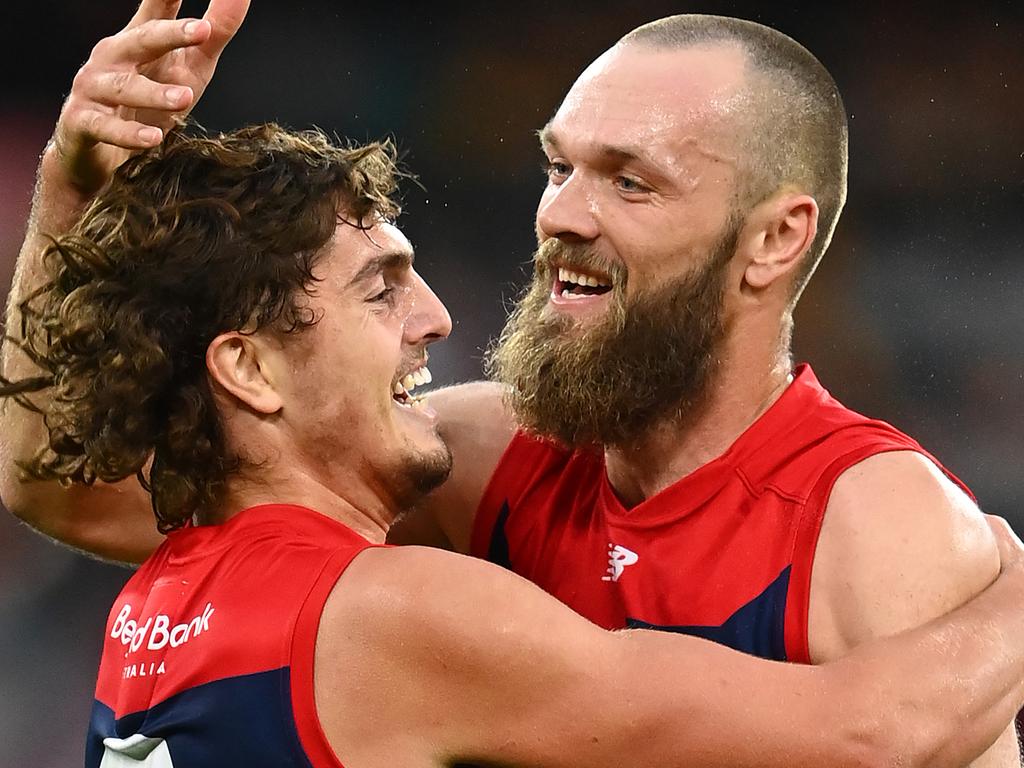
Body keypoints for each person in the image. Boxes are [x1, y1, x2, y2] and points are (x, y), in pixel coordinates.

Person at [1, 3, 1022, 764]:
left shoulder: (876, 525)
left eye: (628, 179)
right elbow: (64, 488)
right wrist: (73, 198)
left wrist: (73, 213)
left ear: (774, 239)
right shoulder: (476, 467)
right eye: (555, 168)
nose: (561, 215)